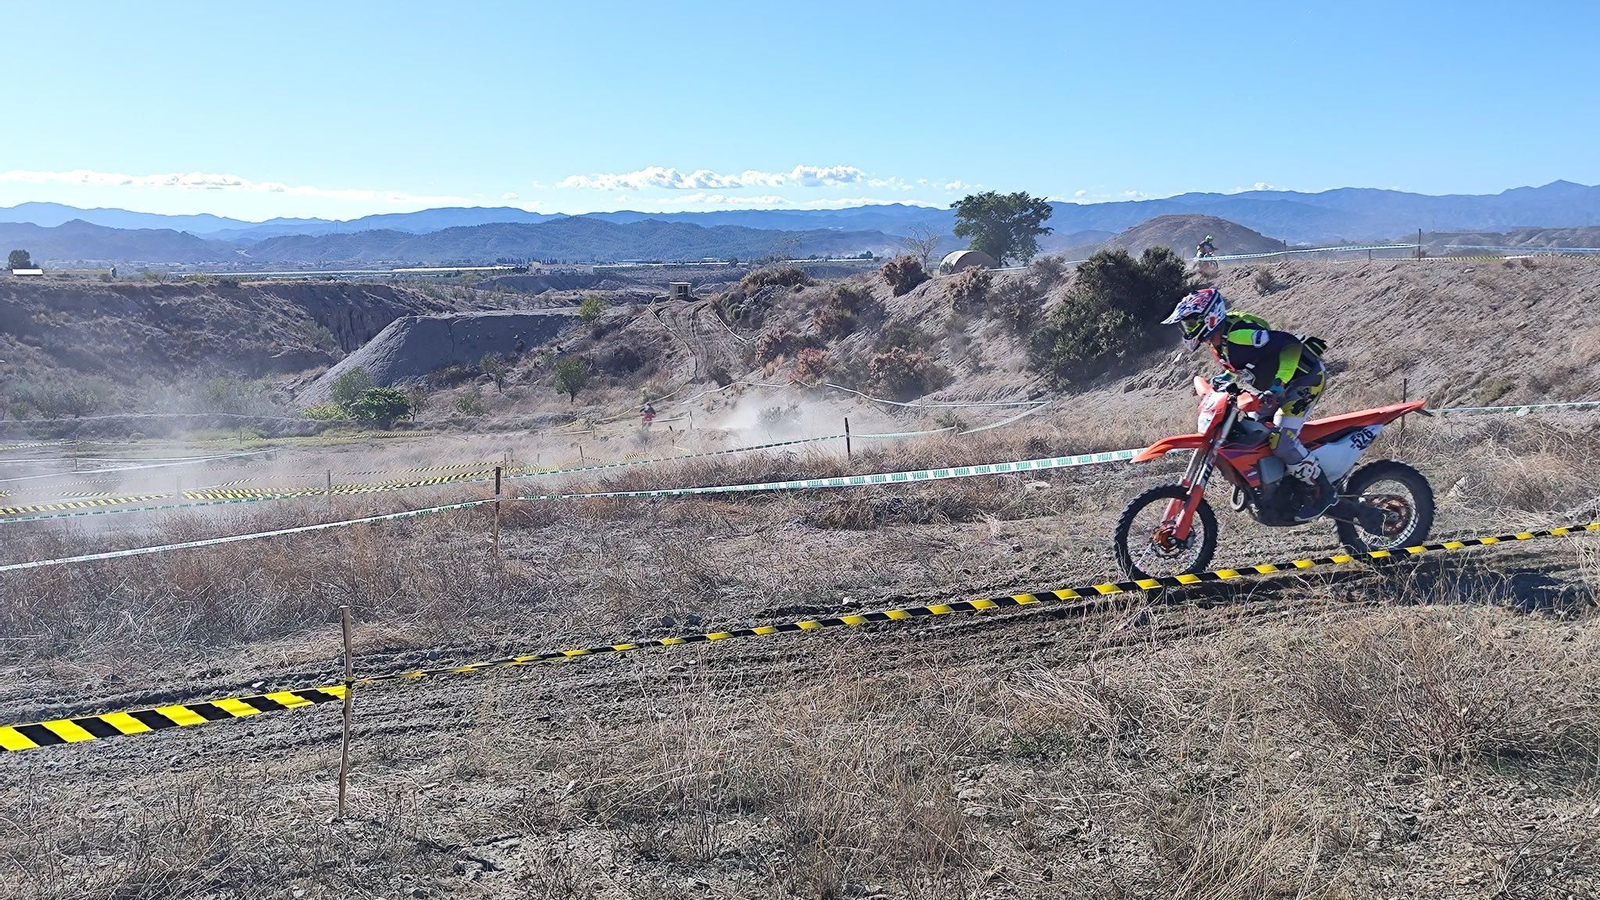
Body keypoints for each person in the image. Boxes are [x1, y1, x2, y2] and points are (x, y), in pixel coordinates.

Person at [1162, 287, 1333, 521]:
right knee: (1250, 434)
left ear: (1210, 317)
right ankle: (1278, 487)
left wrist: (1279, 384)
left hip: (1304, 381)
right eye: (1185, 325)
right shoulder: (1217, 342)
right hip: (1274, 387)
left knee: (1281, 440)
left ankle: (1322, 490)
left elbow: (1291, 345)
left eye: (1191, 323)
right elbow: (1247, 367)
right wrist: (1226, 381)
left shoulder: (1238, 336)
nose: (1187, 330)